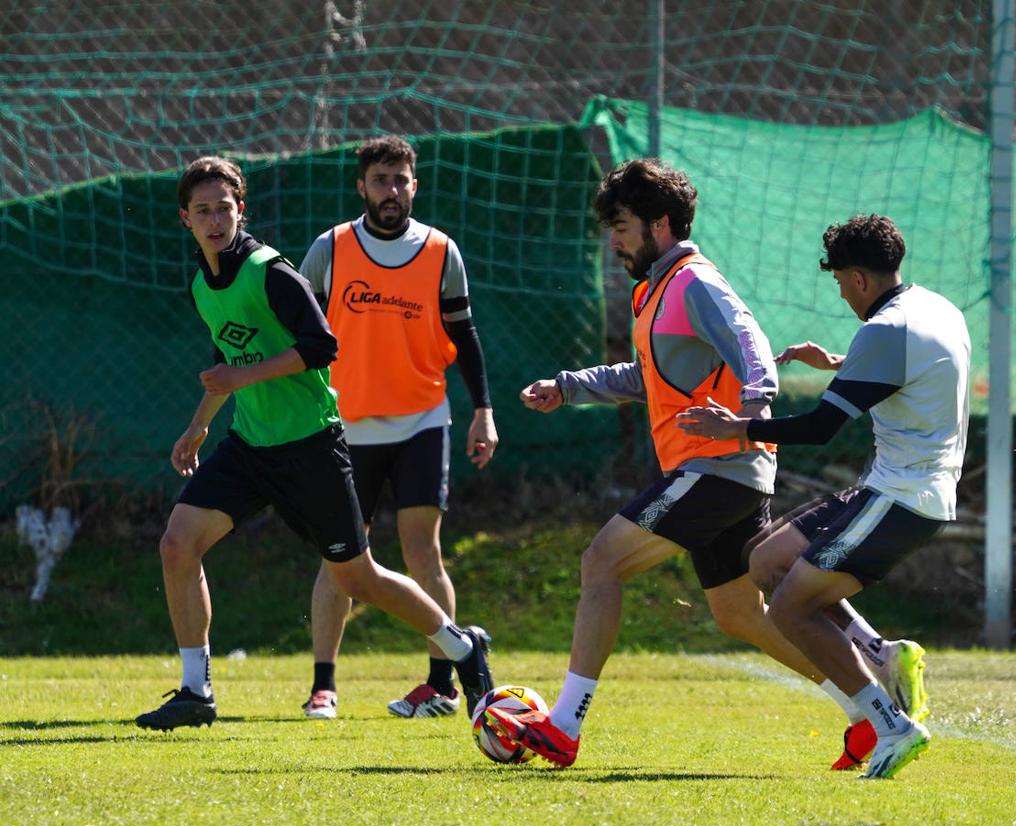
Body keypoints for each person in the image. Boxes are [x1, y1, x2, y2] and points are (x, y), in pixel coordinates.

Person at [485, 160, 922, 770]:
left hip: (714, 467)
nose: (613, 240)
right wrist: (568, 387)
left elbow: (752, 346)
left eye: (623, 226)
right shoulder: (654, 290)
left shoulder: (695, 283)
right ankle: (873, 711)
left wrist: (753, 402)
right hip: (719, 471)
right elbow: (651, 376)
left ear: (660, 225)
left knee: (601, 562)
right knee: (738, 613)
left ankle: (563, 726)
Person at [135, 156, 492, 731]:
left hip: (311, 445)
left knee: (358, 577)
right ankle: (195, 691)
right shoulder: (204, 283)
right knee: (178, 545)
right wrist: (199, 424)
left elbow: (322, 346)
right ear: (185, 219)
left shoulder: (269, 270)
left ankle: (461, 647)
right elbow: (231, 356)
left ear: (240, 210)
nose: (214, 219)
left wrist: (239, 380)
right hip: (250, 445)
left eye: (223, 208)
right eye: (202, 211)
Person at [676, 214, 971, 780]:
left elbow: (819, 427)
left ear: (859, 278)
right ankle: (884, 655)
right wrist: (838, 362)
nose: (839, 292)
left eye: (839, 281)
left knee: (790, 609)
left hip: (902, 498)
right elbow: (918, 370)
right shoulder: (935, 309)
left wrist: (737, 429)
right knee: (766, 559)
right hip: (895, 489)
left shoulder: (884, 330)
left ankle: (893, 726)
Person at [295, 136, 499, 721]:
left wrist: (483, 409)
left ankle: (442, 683)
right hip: (343, 426)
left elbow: (465, 338)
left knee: (422, 551)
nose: (392, 190)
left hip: (421, 421)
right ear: (361, 186)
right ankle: (324, 687)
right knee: (340, 559)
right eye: (381, 180)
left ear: (415, 184)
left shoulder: (440, 251)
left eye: (401, 180)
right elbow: (299, 332)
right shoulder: (330, 248)